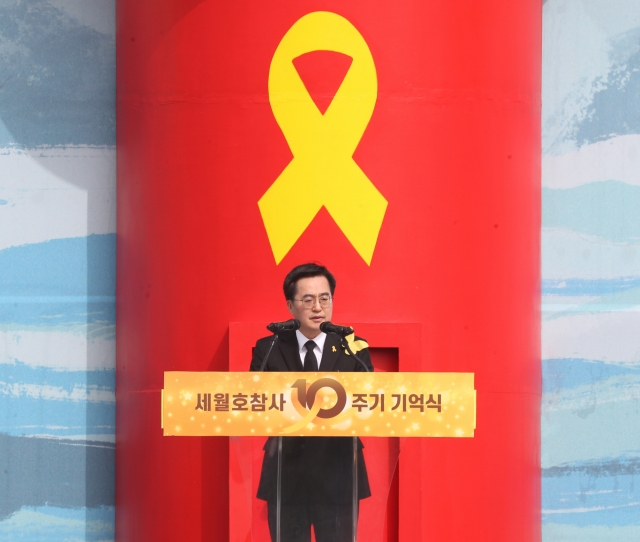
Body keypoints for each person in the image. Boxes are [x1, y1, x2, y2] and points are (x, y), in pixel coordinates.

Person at [250, 262, 373, 542]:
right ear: (290, 306)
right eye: (308, 299)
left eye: (324, 298)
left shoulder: (353, 347)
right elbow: (252, 402)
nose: (318, 307)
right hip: (286, 474)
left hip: (339, 473)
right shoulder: (269, 347)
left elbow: (368, 405)